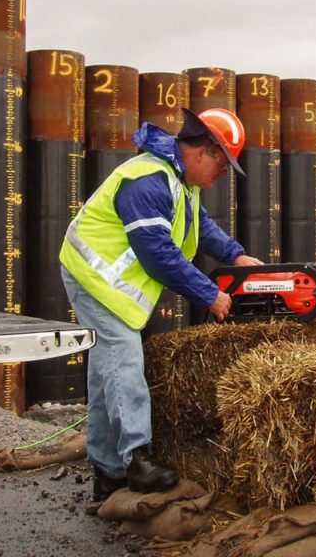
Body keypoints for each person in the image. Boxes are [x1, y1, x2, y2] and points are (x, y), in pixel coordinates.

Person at [58, 107, 262, 501]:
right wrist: (209, 295)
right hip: (92, 276)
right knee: (123, 358)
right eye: (222, 168)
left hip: (108, 284)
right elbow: (157, 253)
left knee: (105, 375)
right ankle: (137, 459)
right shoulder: (148, 180)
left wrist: (235, 256)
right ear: (204, 153)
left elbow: (199, 225)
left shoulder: (180, 181)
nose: (221, 178)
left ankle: (108, 473)